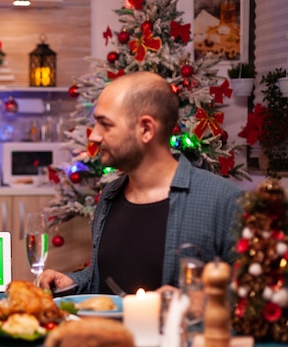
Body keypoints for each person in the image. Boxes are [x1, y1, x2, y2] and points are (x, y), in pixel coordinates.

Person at [38, 72, 243, 295]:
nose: (94, 136)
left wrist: (186, 302)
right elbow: (106, 276)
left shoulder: (224, 201)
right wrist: (72, 281)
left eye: (105, 124)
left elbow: (249, 299)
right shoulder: (109, 196)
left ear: (146, 129)